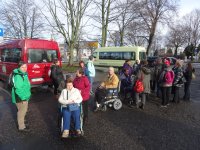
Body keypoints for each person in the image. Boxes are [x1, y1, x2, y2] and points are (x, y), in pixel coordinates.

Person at [11, 61, 31, 132]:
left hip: (25, 96)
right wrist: (23, 98)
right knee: (21, 112)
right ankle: (21, 127)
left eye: (25, 66)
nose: (24, 68)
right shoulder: (18, 76)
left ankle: (22, 122)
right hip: (21, 98)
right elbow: (18, 89)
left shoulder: (23, 74)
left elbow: (26, 85)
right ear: (19, 67)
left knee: (24, 110)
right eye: (22, 67)